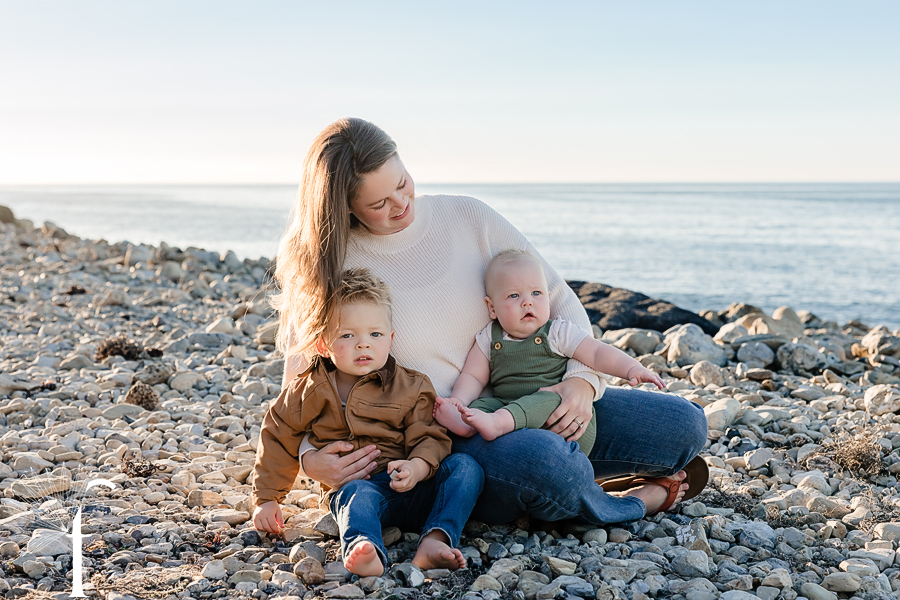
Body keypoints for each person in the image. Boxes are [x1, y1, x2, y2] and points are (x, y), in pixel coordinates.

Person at [273, 117, 708, 528]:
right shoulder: (330, 265)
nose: (401, 203)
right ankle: (621, 498)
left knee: (683, 424)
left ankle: (562, 487)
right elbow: (302, 386)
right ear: (345, 207)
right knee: (545, 463)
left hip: (530, 391)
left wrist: (580, 382)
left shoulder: (469, 216)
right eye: (379, 203)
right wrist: (312, 457)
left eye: (402, 183)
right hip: (444, 434)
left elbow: (560, 301)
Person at [250, 269, 484, 576]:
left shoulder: (411, 385)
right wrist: (267, 499)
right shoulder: (310, 389)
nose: (363, 344)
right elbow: (278, 434)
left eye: (374, 335)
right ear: (323, 345)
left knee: (467, 468)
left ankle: (436, 540)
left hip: (414, 487)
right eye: (347, 335)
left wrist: (417, 466)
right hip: (359, 490)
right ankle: (364, 548)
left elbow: (429, 435)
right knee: (356, 495)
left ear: (390, 339)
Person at [433, 249, 665, 458]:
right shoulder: (488, 338)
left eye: (536, 293)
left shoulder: (557, 332)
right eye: (514, 296)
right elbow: (473, 376)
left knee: (549, 397)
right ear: (491, 308)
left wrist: (633, 369)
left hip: (563, 418)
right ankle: (466, 423)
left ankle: (498, 423)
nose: (527, 303)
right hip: (508, 406)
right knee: (483, 405)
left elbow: (596, 353)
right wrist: (459, 401)